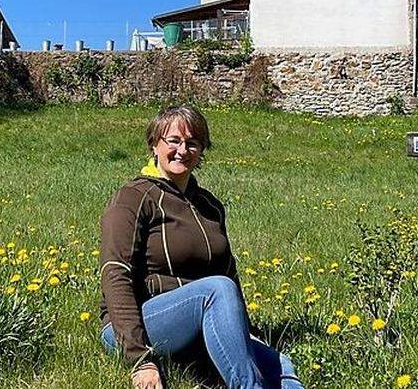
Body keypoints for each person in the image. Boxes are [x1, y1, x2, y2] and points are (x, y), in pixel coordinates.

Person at [98, 105, 303, 389]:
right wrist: (139, 359)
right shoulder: (133, 197)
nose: (182, 150)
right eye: (173, 140)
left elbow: (229, 276)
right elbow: (114, 273)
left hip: (200, 324)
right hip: (135, 325)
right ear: (155, 144)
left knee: (281, 365)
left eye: (192, 143)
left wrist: (247, 335)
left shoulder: (209, 206)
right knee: (215, 289)